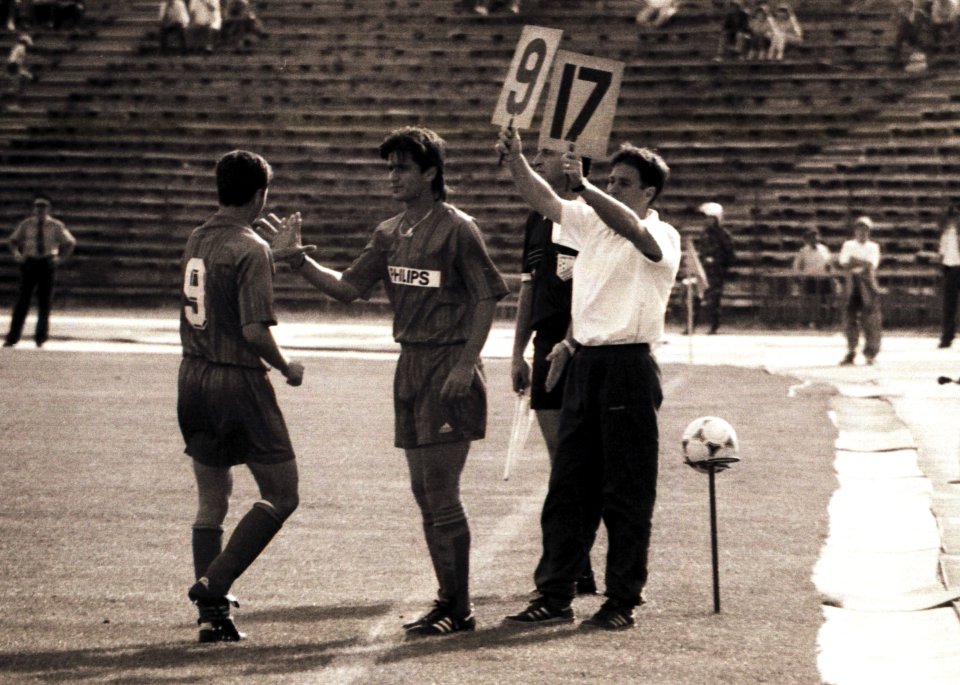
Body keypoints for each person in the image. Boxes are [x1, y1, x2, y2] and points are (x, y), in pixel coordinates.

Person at [265, 126, 508, 637]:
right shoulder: (390, 231)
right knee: (423, 492)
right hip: (410, 366)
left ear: (431, 173)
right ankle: (448, 602)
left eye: (402, 167)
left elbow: (487, 296)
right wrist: (299, 262)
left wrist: (467, 363)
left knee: (441, 491)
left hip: (447, 363)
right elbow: (349, 288)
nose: (392, 176)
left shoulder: (458, 228)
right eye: (390, 167)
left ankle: (458, 608)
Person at [496, 129, 681, 631]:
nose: (615, 188)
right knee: (568, 486)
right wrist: (515, 161)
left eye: (625, 183)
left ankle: (623, 598)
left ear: (648, 194)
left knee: (625, 490)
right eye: (613, 179)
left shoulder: (663, 235)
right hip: (585, 364)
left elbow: (634, 233)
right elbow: (544, 199)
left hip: (629, 366)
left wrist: (589, 189)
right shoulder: (590, 224)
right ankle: (554, 593)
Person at [178, 150, 308, 643]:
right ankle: (214, 584)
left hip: (192, 377)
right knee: (282, 493)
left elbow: (223, 274)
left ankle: (212, 619)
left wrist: (273, 255)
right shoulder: (250, 248)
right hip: (237, 382)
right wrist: (286, 367)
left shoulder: (198, 236)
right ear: (260, 195)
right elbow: (254, 331)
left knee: (212, 501)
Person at [510, 145, 598, 596]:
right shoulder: (536, 220)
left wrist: (568, 341)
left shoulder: (589, 218)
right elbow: (528, 290)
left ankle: (575, 566)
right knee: (561, 463)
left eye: (547, 154)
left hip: (578, 347)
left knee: (574, 464)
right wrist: (517, 352)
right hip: (546, 346)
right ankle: (576, 565)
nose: (539, 161)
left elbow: (588, 290)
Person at [4, 195, 76, 348]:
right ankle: (13, 337)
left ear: (48, 209)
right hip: (30, 262)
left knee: (44, 302)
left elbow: (70, 242)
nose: (40, 210)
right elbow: (12, 240)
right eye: (37, 207)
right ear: (34, 209)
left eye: (43, 207)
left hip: (46, 262)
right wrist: (17, 254)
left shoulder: (56, 225)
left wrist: (60, 259)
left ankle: (40, 337)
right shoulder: (27, 224)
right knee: (22, 301)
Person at [837, 215, 882, 365]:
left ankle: (871, 353)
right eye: (859, 229)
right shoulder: (848, 245)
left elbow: (871, 264)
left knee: (871, 319)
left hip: (867, 283)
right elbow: (844, 262)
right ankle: (851, 350)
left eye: (865, 229)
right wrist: (859, 263)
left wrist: (854, 261)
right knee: (850, 318)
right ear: (855, 230)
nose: (862, 232)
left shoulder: (873, 246)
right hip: (852, 282)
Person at [694, 201, 735, 334]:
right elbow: (701, 250)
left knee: (714, 301)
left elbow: (730, 255)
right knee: (696, 298)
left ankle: (713, 326)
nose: (707, 221)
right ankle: (692, 325)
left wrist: (719, 265)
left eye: (710, 218)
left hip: (716, 272)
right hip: (703, 270)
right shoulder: (704, 234)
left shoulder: (723, 235)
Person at [792, 227, 833, 328]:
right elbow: (797, 266)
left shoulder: (824, 249)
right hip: (810, 279)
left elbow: (828, 263)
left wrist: (830, 272)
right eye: (811, 237)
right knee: (810, 301)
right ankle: (807, 321)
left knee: (824, 301)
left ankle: (822, 321)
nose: (814, 239)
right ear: (807, 239)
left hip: (823, 279)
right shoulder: (803, 251)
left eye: (815, 236)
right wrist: (800, 277)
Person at [936, 205, 960, 348]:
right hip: (950, 269)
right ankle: (947, 336)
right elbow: (942, 254)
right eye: (952, 217)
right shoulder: (946, 235)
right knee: (949, 306)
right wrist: (941, 271)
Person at [5, 32, 33, 107]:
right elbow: (19, 61)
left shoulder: (17, 47)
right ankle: (14, 102)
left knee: (26, 79)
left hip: (12, 66)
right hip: (14, 66)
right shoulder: (22, 48)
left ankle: (16, 95)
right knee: (21, 83)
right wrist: (24, 70)